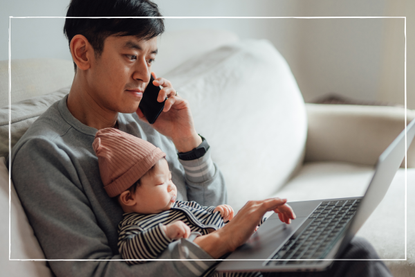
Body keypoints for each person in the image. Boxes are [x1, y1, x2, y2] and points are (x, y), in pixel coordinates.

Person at [9, 0, 392, 276]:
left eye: (151, 58)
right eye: (131, 56)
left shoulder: (139, 124)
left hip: (222, 260)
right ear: (82, 52)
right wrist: (221, 243)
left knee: (349, 250)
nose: (144, 73)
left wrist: (187, 140)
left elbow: (208, 208)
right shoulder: (45, 154)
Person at [92, 128, 292, 265]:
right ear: (128, 198)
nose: (172, 187)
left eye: (171, 179)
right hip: (216, 267)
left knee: (272, 229)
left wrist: (218, 213)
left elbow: (203, 216)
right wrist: (166, 234)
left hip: (232, 247)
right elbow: (130, 253)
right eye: (162, 183)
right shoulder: (135, 225)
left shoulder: (178, 205)